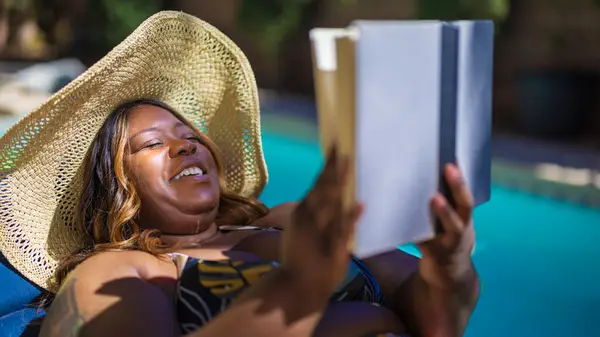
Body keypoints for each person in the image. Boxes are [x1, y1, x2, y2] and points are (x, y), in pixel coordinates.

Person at [0, 12, 479, 337]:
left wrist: (448, 265)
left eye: (187, 132)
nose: (184, 143)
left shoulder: (290, 222)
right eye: (151, 144)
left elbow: (438, 321)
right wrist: (300, 288)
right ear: (116, 190)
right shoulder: (115, 272)